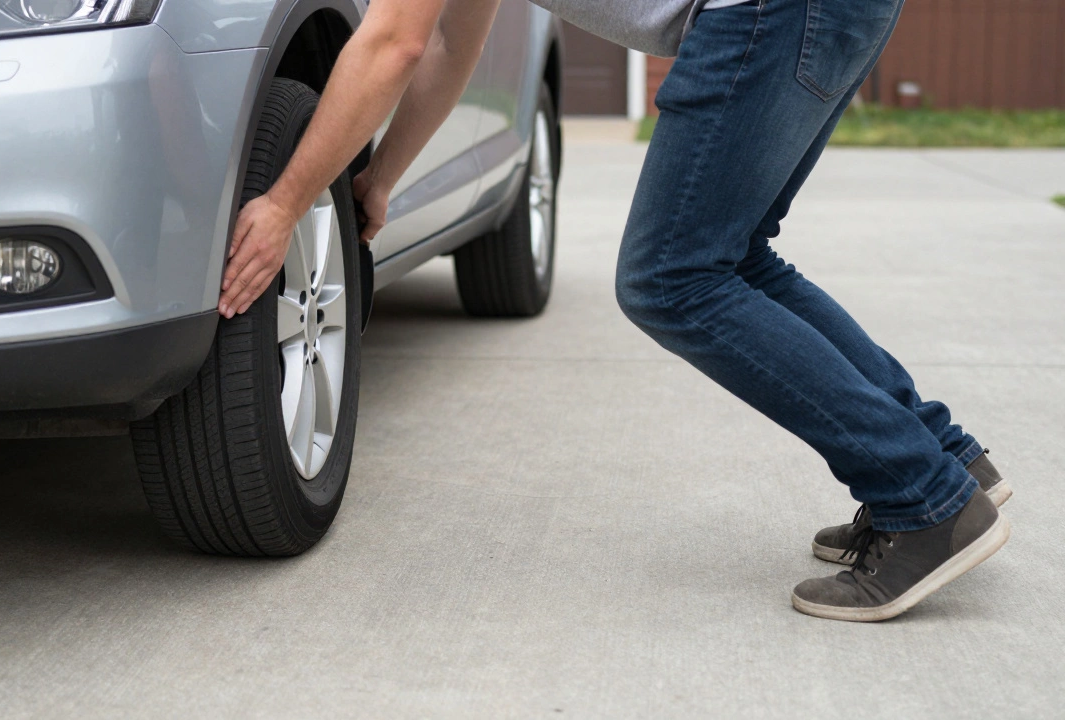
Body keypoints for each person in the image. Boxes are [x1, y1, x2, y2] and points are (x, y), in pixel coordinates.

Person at [218, 0, 1011, 622]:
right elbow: (451, 45)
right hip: (824, 8)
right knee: (732, 258)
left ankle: (925, 498)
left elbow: (393, 43)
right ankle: (943, 457)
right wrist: (383, 175)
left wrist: (286, 201)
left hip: (775, 13)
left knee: (671, 278)